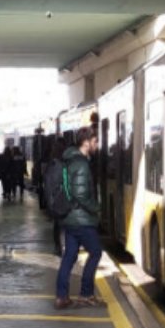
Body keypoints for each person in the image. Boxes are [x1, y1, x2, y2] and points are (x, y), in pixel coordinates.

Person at [54, 127, 103, 309]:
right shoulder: (81, 164)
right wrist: (96, 208)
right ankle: (86, 294)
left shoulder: (69, 159)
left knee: (69, 256)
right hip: (81, 219)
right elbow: (80, 194)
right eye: (95, 141)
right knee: (96, 252)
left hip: (70, 218)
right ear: (86, 142)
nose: (97, 145)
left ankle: (61, 296)